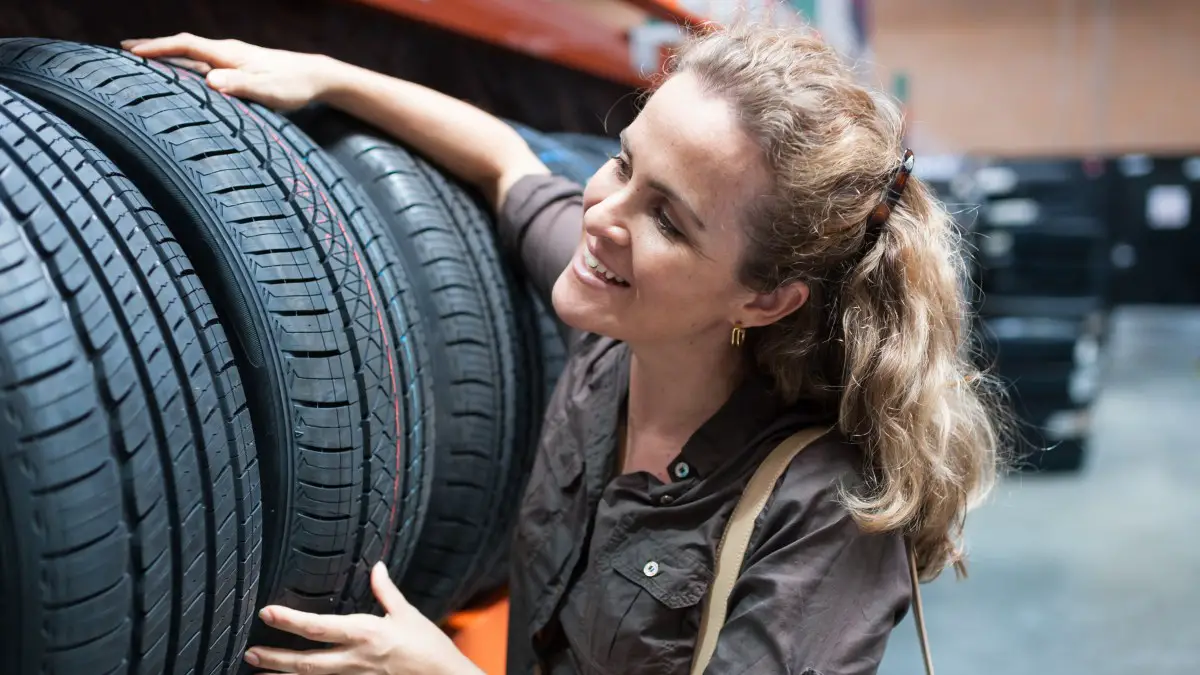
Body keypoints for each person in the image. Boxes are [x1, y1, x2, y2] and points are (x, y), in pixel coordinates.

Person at [123, 21, 1005, 675]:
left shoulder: (826, 512)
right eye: (624, 163)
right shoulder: (615, 332)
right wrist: (328, 75)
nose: (601, 215)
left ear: (765, 297)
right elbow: (506, 162)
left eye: (667, 218)